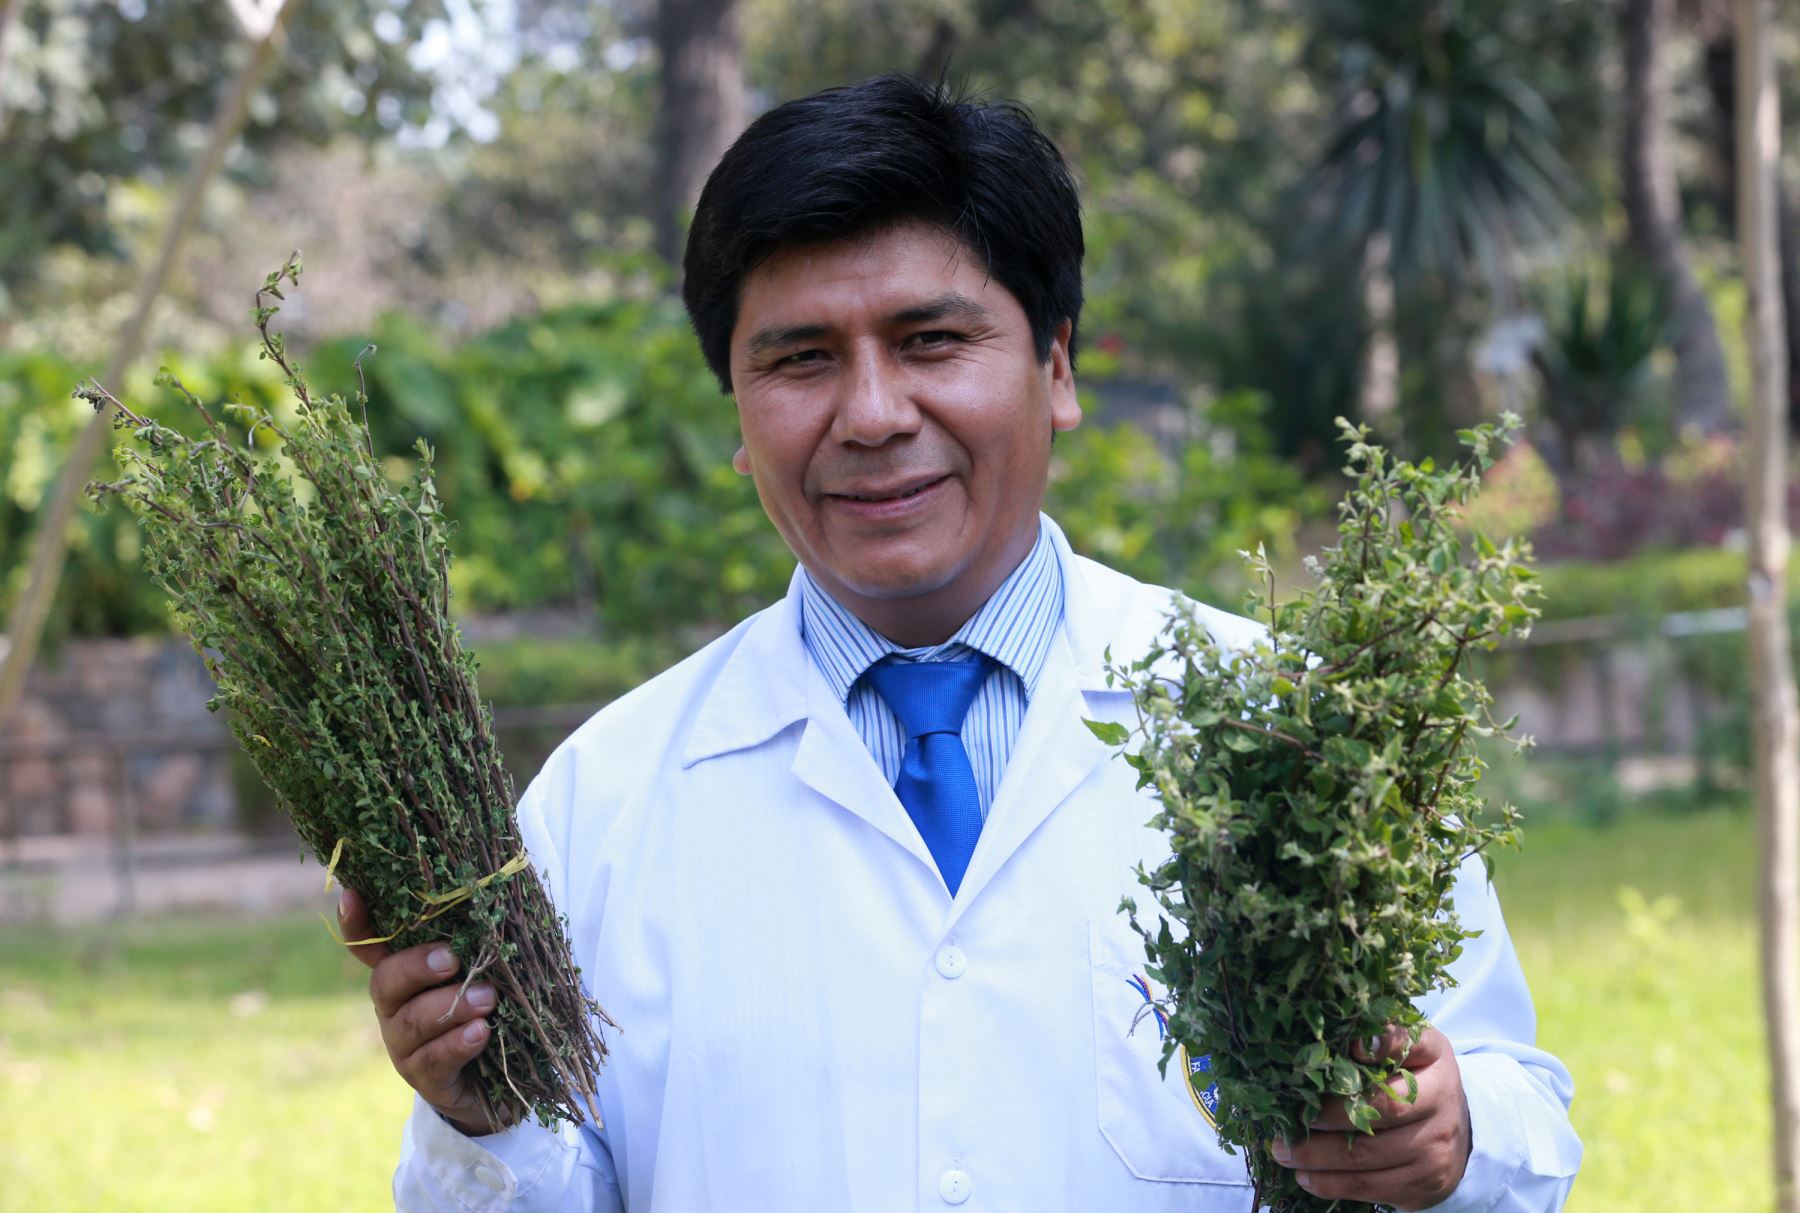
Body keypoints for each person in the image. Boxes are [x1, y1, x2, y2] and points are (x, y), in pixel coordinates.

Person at [342, 74, 1581, 1212]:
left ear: (1056, 369)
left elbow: (1511, 1100)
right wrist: (480, 1114)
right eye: (800, 359)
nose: (874, 415)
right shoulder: (601, 809)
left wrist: (1453, 1135)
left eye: (932, 342)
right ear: (736, 412)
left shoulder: (1294, 729)